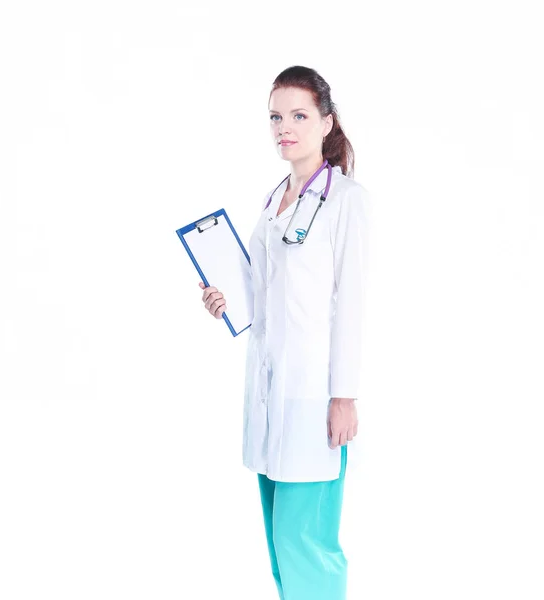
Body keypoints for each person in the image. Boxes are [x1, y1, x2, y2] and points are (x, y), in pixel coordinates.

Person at [199, 65, 371, 600]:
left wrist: (343, 396)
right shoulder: (274, 200)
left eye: (298, 115)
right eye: (275, 117)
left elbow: (353, 306)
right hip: (269, 391)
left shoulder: (345, 200)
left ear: (326, 121)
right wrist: (224, 297)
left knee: (307, 542)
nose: (284, 127)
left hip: (313, 394)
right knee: (279, 543)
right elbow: (264, 293)